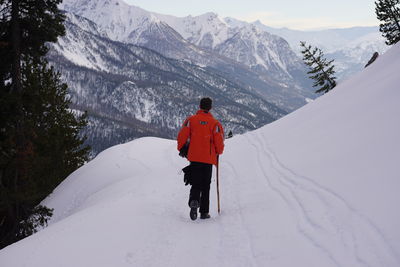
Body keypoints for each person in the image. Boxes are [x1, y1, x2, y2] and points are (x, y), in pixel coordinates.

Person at [177, 97, 224, 220]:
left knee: (195, 183)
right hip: (208, 159)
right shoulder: (215, 124)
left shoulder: (191, 120)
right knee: (206, 185)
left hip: (194, 157)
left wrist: (181, 148)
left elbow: (182, 135)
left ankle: (194, 201)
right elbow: (219, 141)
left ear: (200, 106)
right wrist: (219, 152)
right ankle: (204, 212)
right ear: (210, 108)